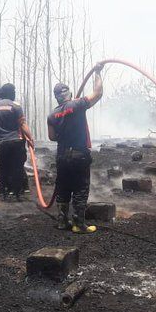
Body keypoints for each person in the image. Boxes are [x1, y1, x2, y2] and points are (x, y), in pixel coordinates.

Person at [47, 63, 104, 233]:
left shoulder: (52, 115)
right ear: (69, 94)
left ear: (57, 97)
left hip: (62, 157)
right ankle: (78, 224)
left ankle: (62, 222)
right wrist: (98, 73)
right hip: (79, 155)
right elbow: (98, 93)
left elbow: (52, 137)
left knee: (63, 188)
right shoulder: (77, 105)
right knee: (80, 188)